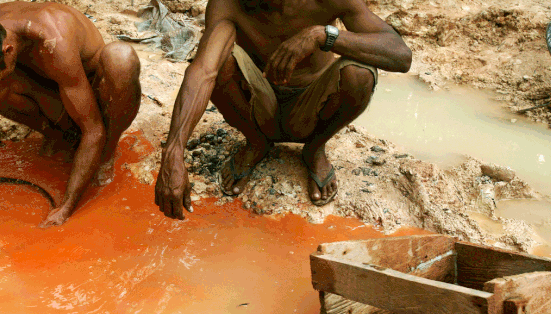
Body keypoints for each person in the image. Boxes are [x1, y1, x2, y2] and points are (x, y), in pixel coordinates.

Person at [154, 0, 411, 220]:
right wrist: (173, 152)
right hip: (257, 103)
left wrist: (322, 36)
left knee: (360, 72)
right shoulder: (232, 3)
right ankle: (256, 142)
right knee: (221, 57)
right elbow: (203, 71)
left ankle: (315, 148)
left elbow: (400, 55)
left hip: (314, 105)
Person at [0, 2, 141, 226]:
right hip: (54, 83)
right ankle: (61, 136)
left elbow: (93, 130)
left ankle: (107, 151)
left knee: (121, 58)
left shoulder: (54, 40)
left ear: (8, 51)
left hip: (89, 86)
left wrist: (66, 206)